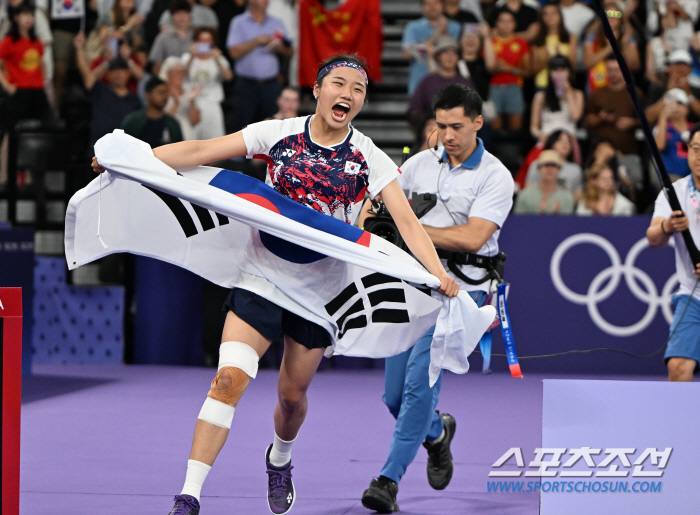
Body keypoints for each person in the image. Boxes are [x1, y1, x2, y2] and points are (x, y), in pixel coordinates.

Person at [93, 54, 459, 515]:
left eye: (358, 89)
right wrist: (131, 160)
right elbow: (201, 150)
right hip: (261, 276)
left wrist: (439, 275)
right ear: (318, 91)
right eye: (338, 83)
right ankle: (188, 496)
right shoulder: (277, 133)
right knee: (227, 380)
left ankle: (279, 458)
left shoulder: (371, 157)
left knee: (290, 398)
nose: (347, 93)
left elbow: (406, 222)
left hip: (321, 292)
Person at [357, 83, 513, 513]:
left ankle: (387, 480)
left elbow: (474, 236)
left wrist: (410, 230)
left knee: (416, 386)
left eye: (457, 126)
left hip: (459, 289)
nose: (447, 135)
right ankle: (438, 434)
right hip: (410, 283)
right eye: (441, 125)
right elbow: (377, 212)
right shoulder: (418, 164)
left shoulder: (496, 175)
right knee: (392, 396)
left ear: (478, 123)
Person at [646, 122, 700, 383]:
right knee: (678, 368)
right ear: (687, 151)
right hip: (694, 297)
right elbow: (653, 238)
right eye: (696, 149)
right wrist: (668, 226)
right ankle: (685, 425)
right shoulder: (674, 193)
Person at [226, 0, 293, 131]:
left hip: (271, 85)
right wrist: (257, 41)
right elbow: (233, 52)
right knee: (242, 128)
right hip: (246, 86)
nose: (266, 1)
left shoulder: (276, 23)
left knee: (273, 127)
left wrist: (279, 48)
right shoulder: (238, 22)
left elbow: (290, 52)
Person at [74, 32, 142, 149]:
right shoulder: (101, 91)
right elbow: (88, 78)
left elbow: (144, 78)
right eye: (114, 70)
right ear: (108, 74)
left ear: (128, 74)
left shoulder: (135, 99)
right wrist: (80, 48)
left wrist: (128, 59)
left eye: (122, 70)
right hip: (101, 150)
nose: (119, 74)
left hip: (128, 151)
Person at [0, 1, 51, 141]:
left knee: (44, 129)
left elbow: (42, 63)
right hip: (18, 91)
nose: (29, 18)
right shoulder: (9, 41)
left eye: (31, 15)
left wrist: (44, 81)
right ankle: (8, 162)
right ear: (16, 17)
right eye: (24, 14)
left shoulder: (36, 41)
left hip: (37, 91)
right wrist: (7, 86)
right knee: (10, 132)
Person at [408, 35, 475, 132]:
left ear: (458, 57)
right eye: (446, 53)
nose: (450, 57)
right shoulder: (427, 81)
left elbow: (474, 111)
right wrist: (429, 121)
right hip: (433, 131)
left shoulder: (465, 83)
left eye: (454, 53)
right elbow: (414, 110)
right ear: (438, 56)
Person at [483, 9, 531, 131]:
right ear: (497, 23)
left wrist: (509, 69)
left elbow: (528, 71)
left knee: (516, 129)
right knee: (495, 129)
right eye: (502, 21)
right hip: (494, 87)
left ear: (514, 24)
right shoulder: (490, 42)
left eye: (509, 21)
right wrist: (496, 68)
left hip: (515, 87)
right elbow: (487, 68)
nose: (506, 24)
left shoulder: (521, 43)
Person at [585, 56, 641, 158]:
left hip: (628, 152)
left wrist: (632, 122)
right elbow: (587, 122)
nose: (613, 73)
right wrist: (600, 118)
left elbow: (647, 120)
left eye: (617, 69)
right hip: (601, 155)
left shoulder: (636, 93)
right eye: (609, 70)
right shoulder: (597, 93)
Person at [181, 27, 232, 139]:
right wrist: (191, 57)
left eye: (208, 40)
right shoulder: (187, 57)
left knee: (215, 139)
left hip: (212, 102)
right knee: (190, 137)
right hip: (192, 103)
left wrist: (218, 60)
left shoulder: (218, 58)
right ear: (195, 41)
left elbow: (229, 77)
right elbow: (181, 76)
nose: (204, 43)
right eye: (201, 40)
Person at [402, 0, 461, 95]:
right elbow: (407, 54)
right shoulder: (413, 27)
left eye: (436, 3)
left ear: (443, 5)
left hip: (448, 85)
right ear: (422, 7)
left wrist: (445, 32)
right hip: (419, 83)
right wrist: (436, 35)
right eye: (428, 4)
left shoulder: (454, 27)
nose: (432, 7)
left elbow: (456, 52)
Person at [583, 1, 640, 92]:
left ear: (620, 18)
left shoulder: (628, 37)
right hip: (597, 87)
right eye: (608, 14)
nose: (611, 17)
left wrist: (624, 45)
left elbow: (636, 66)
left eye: (616, 14)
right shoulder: (592, 37)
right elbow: (587, 63)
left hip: (623, 89)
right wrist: (610, 47)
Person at [530, 55, 584, 142]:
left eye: (563, 70)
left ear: (569, 72)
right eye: (555, 70)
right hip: (547, 139)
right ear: (550, 73)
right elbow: (533, 128)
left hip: (568, 140)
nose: (559, 74)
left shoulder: (577, 94)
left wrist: (569, 93)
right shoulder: (540, 96)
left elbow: (576, 116)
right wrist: (542, 136)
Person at [121, 76, 184, 148]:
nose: (164, 96)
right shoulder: (133, 122)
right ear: (148, 95)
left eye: (166, 93)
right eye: (160, 92)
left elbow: (180, 152)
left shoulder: (173, 124)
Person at [645, 49, 700, 125]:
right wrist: (668, 91)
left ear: (690, 69)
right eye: (676, 65)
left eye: (684, 65)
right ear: (668, 68)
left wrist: (689, 94)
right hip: (664, 133)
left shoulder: (697, 90)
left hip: (691, 134)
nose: (680, 69)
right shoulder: (657, 89)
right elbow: (649, 117)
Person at [524, 129, 583, 196]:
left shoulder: (575, 169)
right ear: (552, 143)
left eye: (568, 141)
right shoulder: (537, 164)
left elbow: (577, 195)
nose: (565, 143)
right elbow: (528, 189)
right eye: (560, 140)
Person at [530, 2, 575, 90]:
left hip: (564, 84)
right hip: (543, 84)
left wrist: (559, 59)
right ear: (541, 18)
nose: (550, 17)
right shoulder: (537, 39)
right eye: (546, 14)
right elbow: (533, 70)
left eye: (554, 13)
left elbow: (573, 65)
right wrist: (547, 61)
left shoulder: (570, 37)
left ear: (560, 16)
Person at [514, 149, 575, 214]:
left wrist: (557, 216)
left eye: (554, 165)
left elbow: (568, 222)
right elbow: (518, 222)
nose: (550, 169)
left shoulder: (567, 197)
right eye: (546, 165)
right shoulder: (525, 196)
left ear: (559, 169)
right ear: (539, 169)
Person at [654, 88, 693, 179]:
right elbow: (659, 146)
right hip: (669, 178)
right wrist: (663, 117)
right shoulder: (661, 127)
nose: (675, 107)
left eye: (679, 103)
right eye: (671, 104)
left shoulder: (695, 128)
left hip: (693, 177)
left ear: (687, 107)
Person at [148, 0, 193, 76]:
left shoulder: (197, 36)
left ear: (189, 15)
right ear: (172, 16)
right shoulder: (162, 38)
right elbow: (156, 65)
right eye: (178, 13)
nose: (181, 16)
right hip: (169, 78)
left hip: (192, 77)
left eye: (185, 13)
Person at [160, 56, 201, 140]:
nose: (180, 75)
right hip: (169, 138)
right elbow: (161, 120)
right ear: (168, 74)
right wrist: (176, 104)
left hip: (188, 137)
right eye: (176, 72)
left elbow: (195, 121)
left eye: (182, 72)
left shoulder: (189, 93)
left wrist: (192, 102)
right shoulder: (161, 93)